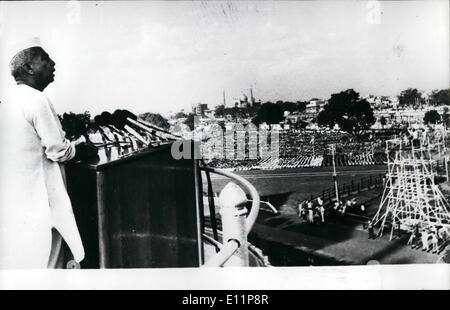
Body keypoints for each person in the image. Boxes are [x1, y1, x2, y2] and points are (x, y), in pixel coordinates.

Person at [0, 38, 97, 269]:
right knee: (49, 264)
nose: (53, 63)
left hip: (15, 203)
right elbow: (58, 151)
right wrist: (81, 149)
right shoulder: (36, 99)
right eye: (45, 59)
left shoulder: (7, 99)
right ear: (29, 68)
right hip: (42, 202)